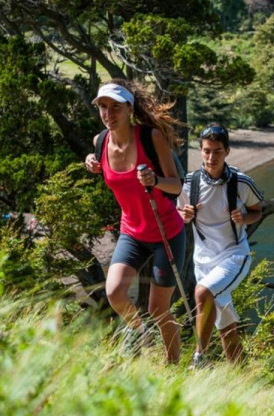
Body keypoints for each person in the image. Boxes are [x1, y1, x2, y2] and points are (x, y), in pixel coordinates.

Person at [84, 79, 185, 364]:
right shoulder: (100, 141)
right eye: (103, 107)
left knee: (158, 310)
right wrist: (91, 163)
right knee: (114, 292)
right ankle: (142, 334)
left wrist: (155, 181)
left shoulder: (151, 137)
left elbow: (176, 186)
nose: (108, 113)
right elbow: (102, 165)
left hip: (166, 232)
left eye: (115, 107)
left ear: (129, 108)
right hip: (132, 232)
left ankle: (173, 366)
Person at [178, 123, 263, 369]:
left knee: (202, 293)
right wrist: (186, 215)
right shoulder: (191, 183)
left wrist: (243, 218)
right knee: (226, 327)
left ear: (227, 151)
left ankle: (199, 358)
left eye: (217, 151)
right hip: (203, 262)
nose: (211, 157)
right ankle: (241, 375)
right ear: (201, 150)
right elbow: (179, 214)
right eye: (206, 151)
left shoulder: (241, 182)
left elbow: (257, 210)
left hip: (234, 257)